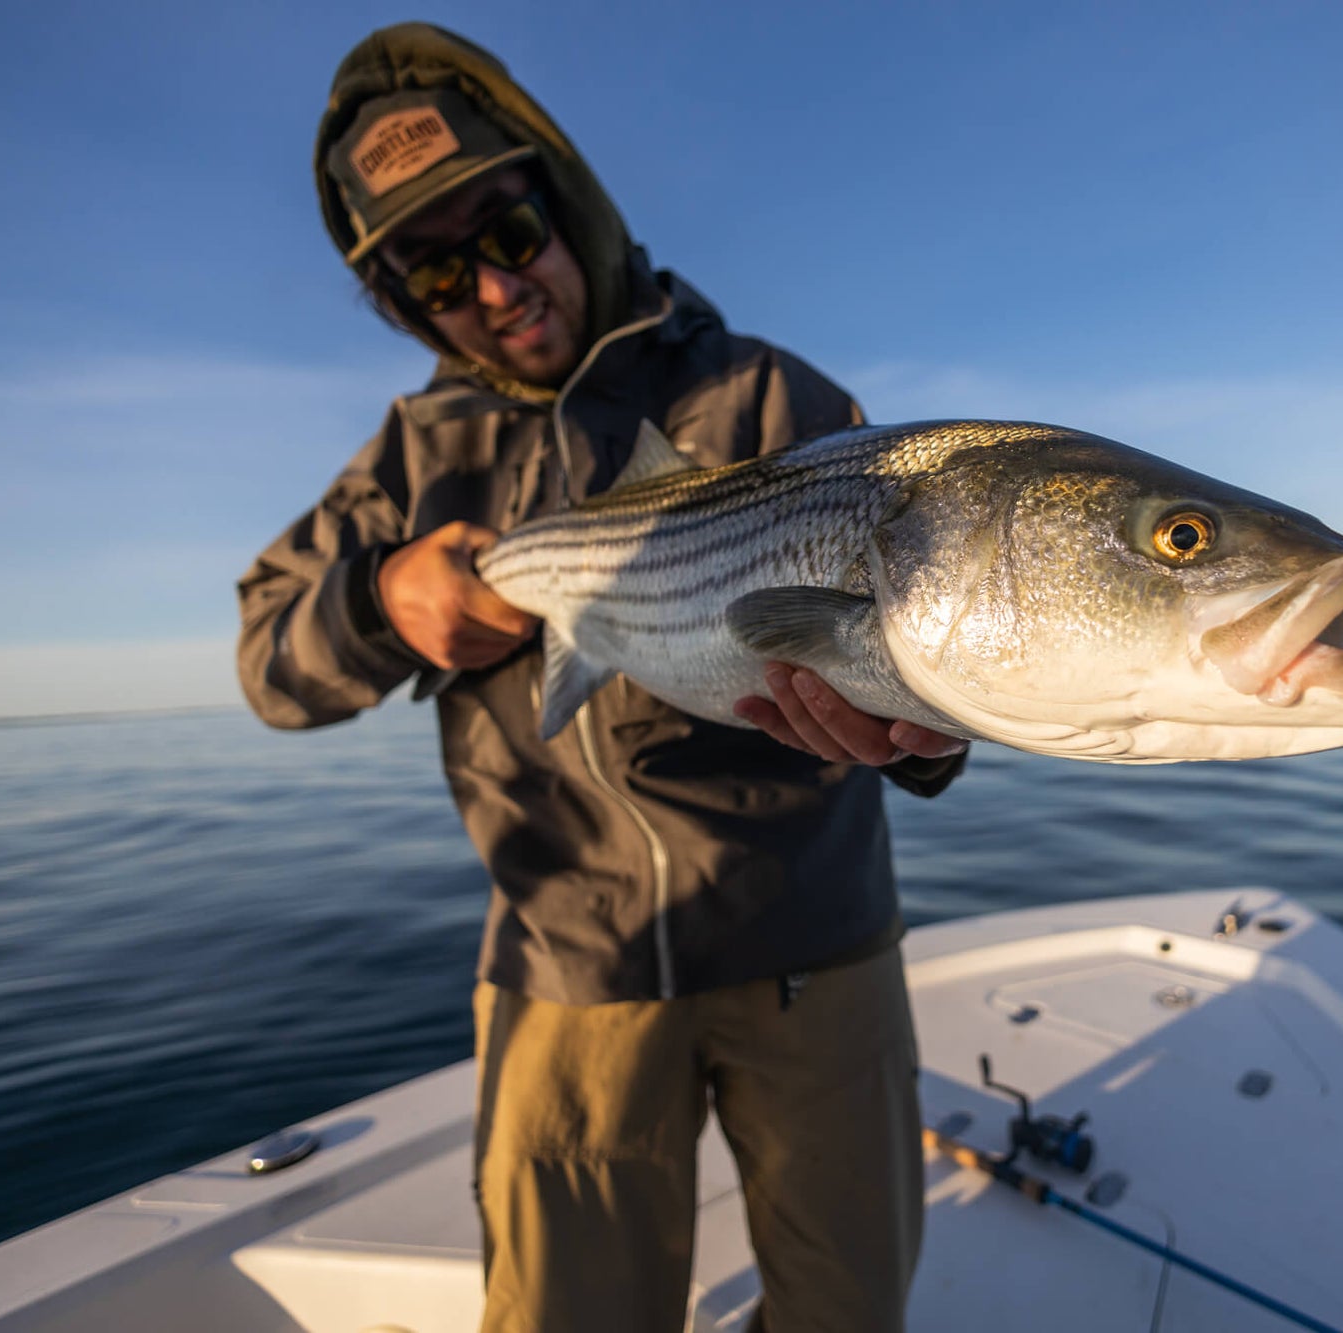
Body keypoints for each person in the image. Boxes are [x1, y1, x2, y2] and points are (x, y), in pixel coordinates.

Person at [236, 23, 967, 1333]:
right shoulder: (409, 461)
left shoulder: (770, 400)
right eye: (438, 271)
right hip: (566, 967)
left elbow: (926, 646)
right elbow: (268, 663)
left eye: (509, 235)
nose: (495, 289)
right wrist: (380, 597)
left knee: (850, 1306)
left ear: (566, 206)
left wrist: (920, 734)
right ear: (408, 302)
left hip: (817, 939)